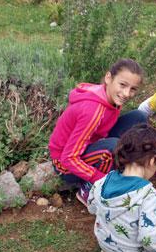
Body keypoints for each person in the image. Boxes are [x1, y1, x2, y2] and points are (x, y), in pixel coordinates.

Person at [48, 59, 148, 206]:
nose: (126, 93)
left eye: (133, 89)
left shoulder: (109, 95)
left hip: (88, 144)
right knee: (113, 146)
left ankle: (121, 166)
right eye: (123, 85)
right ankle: (88, 190)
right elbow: (68, 158)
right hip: (64, 164)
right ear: (109, 78)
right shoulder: (93, 111)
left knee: (138, 117)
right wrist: (102, 179)